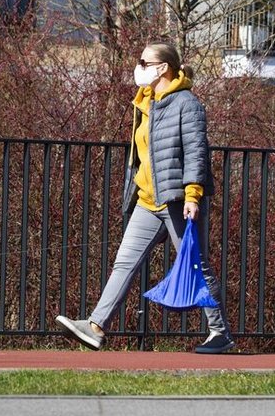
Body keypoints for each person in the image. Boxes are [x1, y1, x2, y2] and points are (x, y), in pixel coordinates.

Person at [56, 42, 234, 354]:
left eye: (144, 61)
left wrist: (193, 194)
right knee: (124, 262)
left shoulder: (185, 103)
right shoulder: (146, 103)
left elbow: (196, 152)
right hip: (148, 200)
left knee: (196, 265)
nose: (138, 66)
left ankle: (219, 333)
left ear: (163, 67)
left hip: (178, 199)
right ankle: (96, 326)